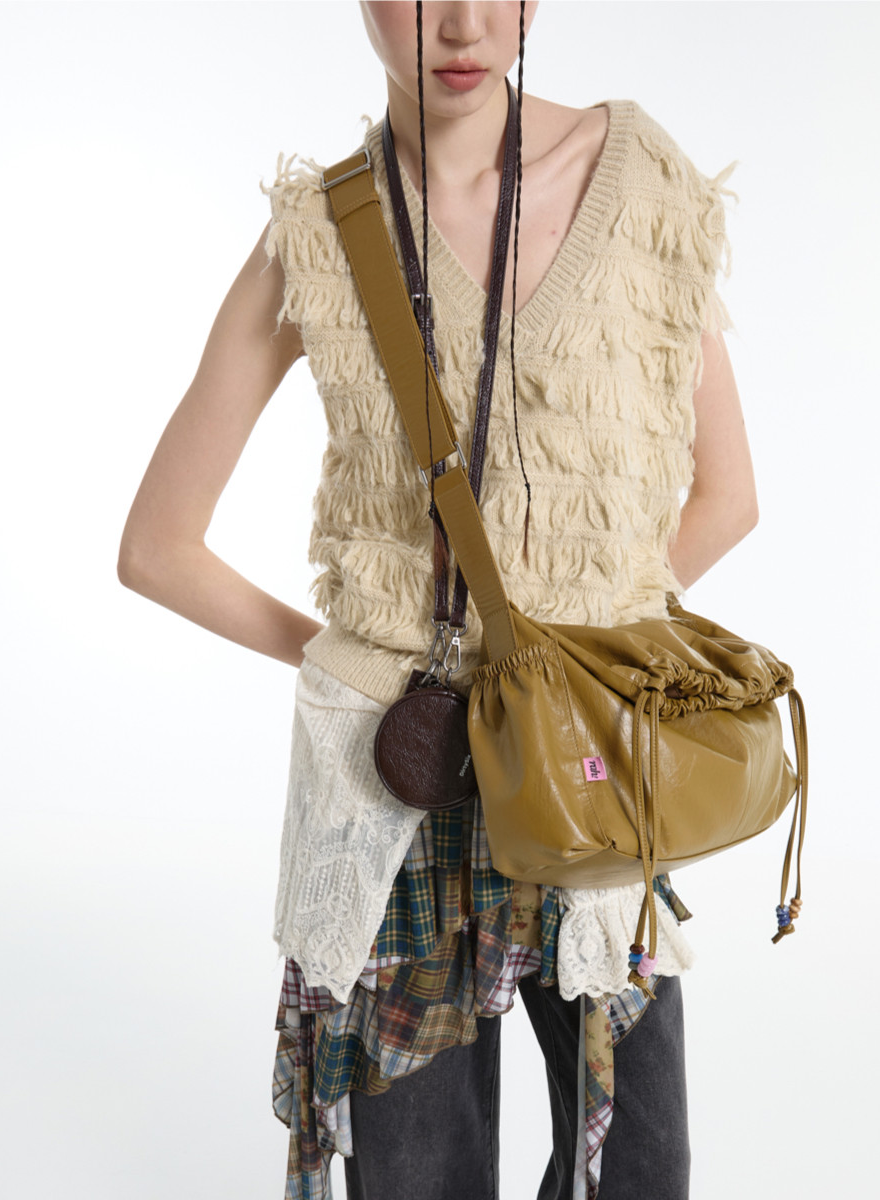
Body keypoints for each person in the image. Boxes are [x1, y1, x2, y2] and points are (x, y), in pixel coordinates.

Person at [118, 3, 757, 1197]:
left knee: (641, 1166)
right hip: (393, 785)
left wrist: (565, 667)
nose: (462, 24)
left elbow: (728, 497)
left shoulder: (641, 183)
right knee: (414, 1177)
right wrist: (362, 664)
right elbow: (157, 546)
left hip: (584, 766)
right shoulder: (320, 231)